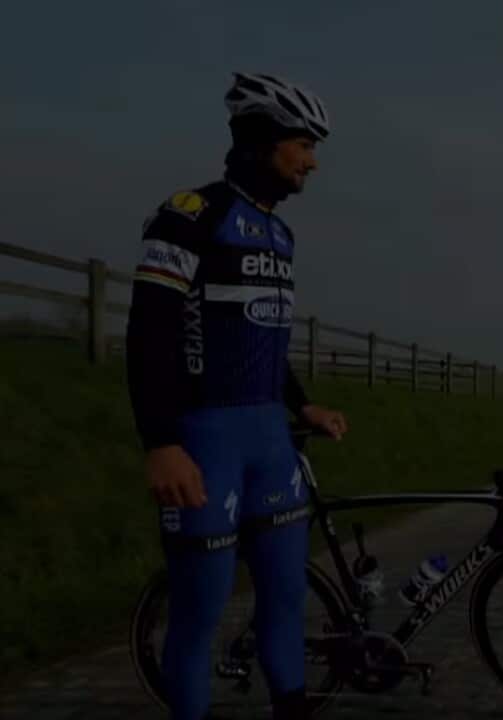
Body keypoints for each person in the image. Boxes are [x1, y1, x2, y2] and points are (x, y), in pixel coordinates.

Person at [125, 71, 348, 720]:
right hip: (204, 442)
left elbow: (266, 337)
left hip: (271, 444)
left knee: (284, 601)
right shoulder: (191, 215)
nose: (311, 161)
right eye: (303, 144)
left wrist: (302, 403)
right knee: (200, 616)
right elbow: (149, 336)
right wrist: (161, 442)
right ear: (259, 139)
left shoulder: (281, 234)